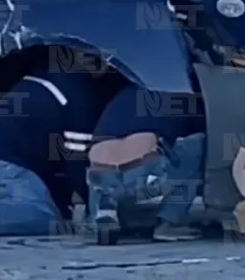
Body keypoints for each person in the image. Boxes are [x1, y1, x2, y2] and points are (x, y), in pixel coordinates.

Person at [0, 68, 115, 237]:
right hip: (2, 162)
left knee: (37, 206)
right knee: (47, 218)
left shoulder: (49, 78)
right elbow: (75, 163)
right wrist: (86, 205)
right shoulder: (82, 95)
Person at [85, 85, 205, 244]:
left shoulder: (124, 94)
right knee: (197, 144)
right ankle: (168, 222)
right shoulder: (185, 94)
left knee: (103, 165)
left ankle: (105, 209)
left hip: (100, 175)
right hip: (144, 175)